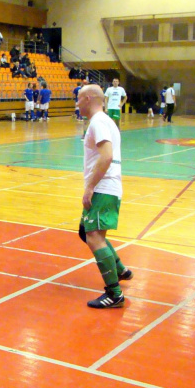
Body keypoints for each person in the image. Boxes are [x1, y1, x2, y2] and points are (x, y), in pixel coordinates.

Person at [76, 84, 133, 309]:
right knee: (85, 231)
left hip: (103, 187)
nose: (77, 103)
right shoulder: (107, 121)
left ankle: (114, 293)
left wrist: (89, 187)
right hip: (107, 186)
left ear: (89, 99)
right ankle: (120, 270)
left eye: (79, 99)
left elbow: (106, 156)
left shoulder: (98, 121)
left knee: (94, 237)